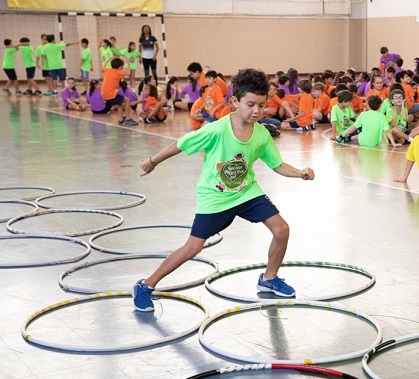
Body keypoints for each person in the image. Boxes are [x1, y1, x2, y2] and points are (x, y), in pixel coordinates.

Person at [132, 68, 315, 311]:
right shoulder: (216, 129)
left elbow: (277, 164)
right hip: (215, 197)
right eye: (250, 104)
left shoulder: (261, 133)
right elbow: (181, 144)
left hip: (246, 192)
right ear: (234, 101)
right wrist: (153, 161)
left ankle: (269, 279)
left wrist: (300, 173)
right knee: (192, 248)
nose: (257, 111)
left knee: (281, 229)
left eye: (262, 105)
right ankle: (146, 285)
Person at [102, 57, 137, 125]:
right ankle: (128, 119)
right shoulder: (118, 72)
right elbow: (128, 73)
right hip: (110, 94)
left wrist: (107, 60)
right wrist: (128, 63)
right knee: (127, 100)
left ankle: (121, 119)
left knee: (120, 103)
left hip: (104, 94)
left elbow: (103, 66)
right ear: (120, 67)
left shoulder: (107, 70)